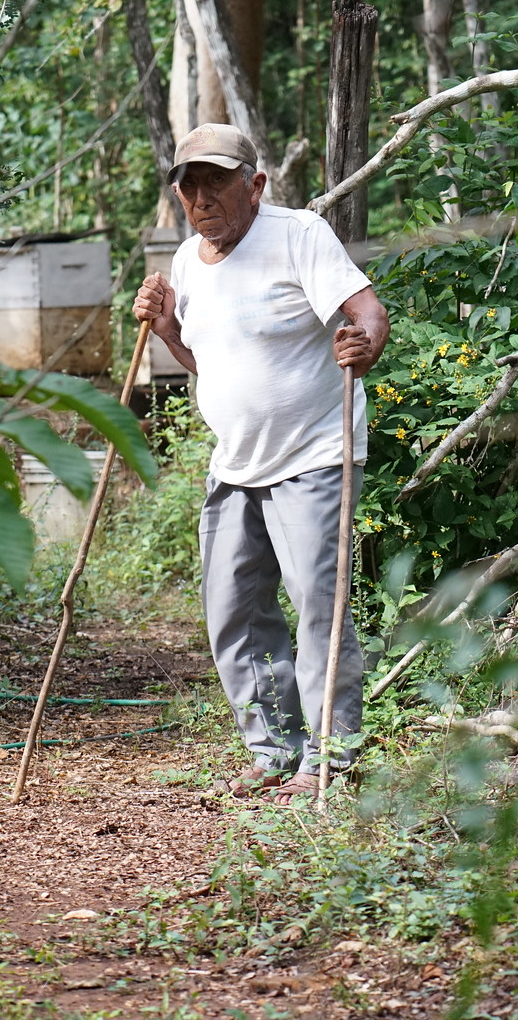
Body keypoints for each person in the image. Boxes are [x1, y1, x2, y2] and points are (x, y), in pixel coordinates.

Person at [134, 124, 390, 802]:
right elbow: (206, 363)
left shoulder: (297, 235)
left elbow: (366, 310)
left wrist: (363, 345)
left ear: (254, 184)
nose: (200, 198)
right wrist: (165, 331)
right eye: (188, 185)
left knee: (317, 609)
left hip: (314, 455)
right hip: (236, 464)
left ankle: (328, 758)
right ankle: (275, 749)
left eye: (215, 182)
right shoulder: (188, 262)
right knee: (233, 610)